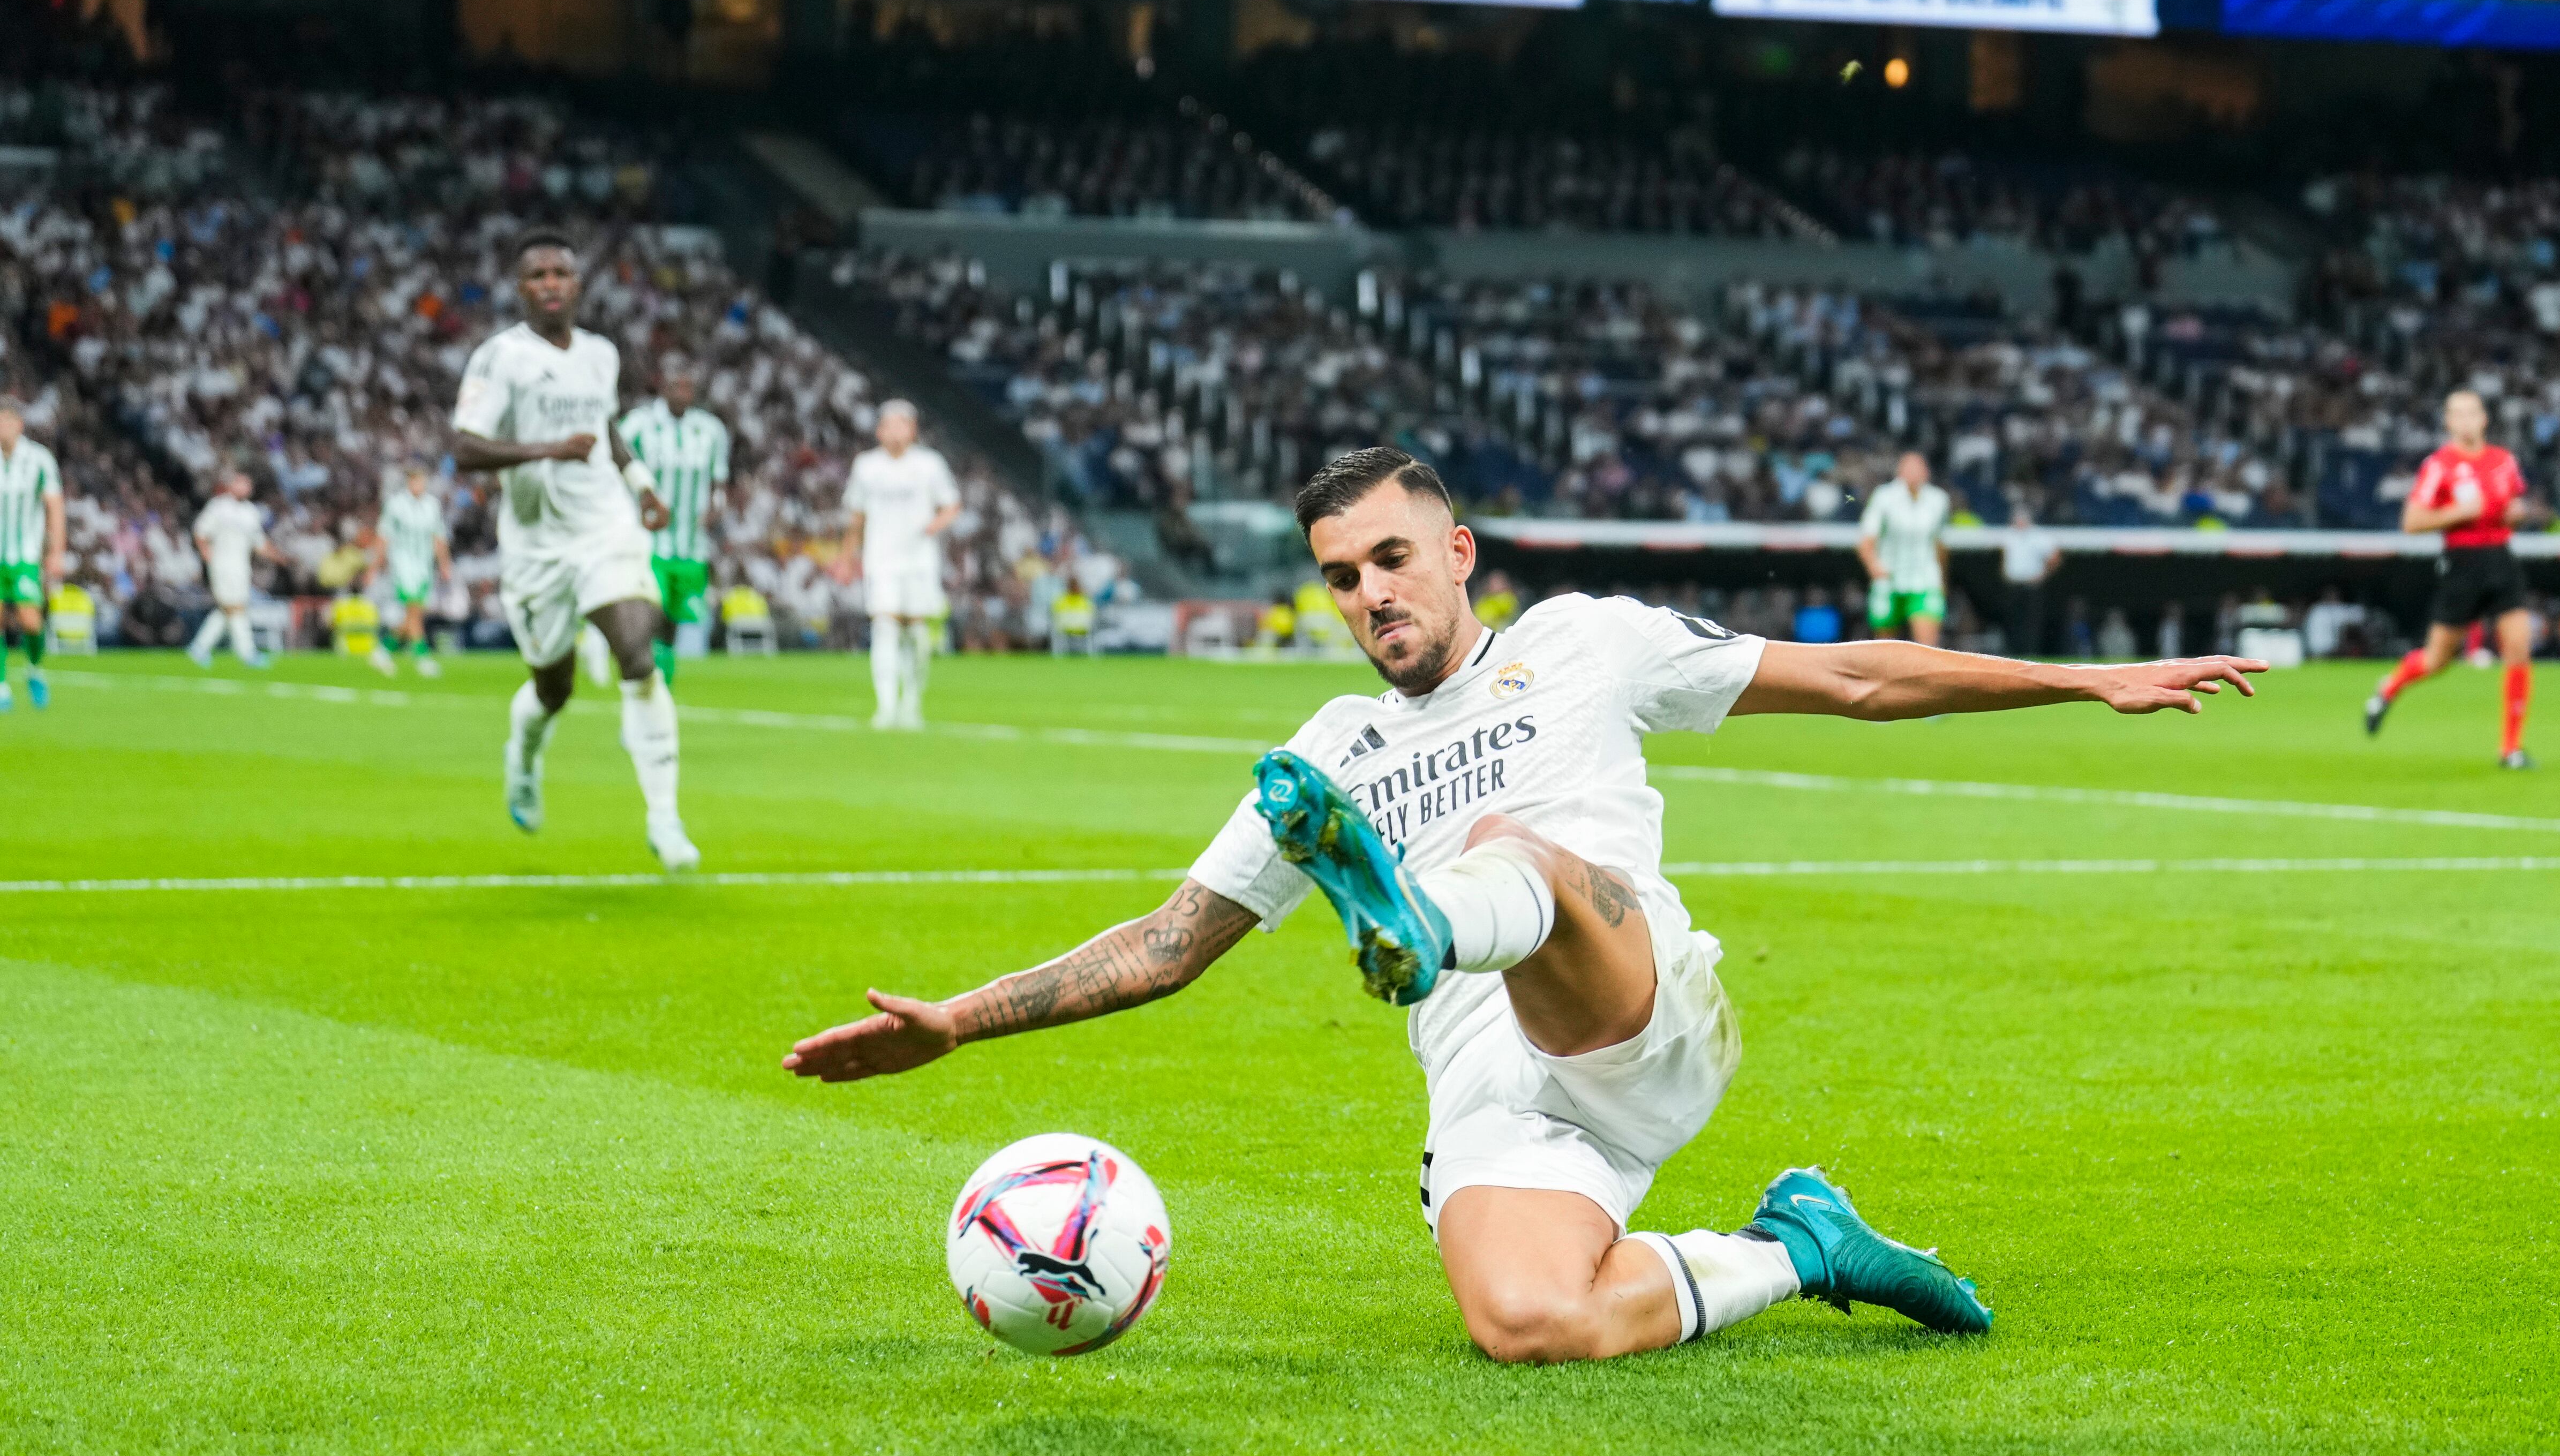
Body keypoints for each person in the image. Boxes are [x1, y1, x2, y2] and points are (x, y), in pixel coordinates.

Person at [786, 447, 2267, 1363]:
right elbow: (1169, 942)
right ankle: (1806, 1244)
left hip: (1632, 1003)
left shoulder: (1583, 644)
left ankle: (1426, 921)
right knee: (1527, 1322)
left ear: (1457, 554)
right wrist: (958, 1025)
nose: (1370, 592)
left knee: (1518, 845)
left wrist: (2086, 674)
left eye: (1391, 557)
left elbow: (1857, 674)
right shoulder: (1329, 750)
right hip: (1502, 1095)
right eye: (1340, 575)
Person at [450, 228, 699, 870]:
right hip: (536, 546)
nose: (551, 283)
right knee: (553, 686)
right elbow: (466, 447)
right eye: (537, 275)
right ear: (520, 288)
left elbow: (605, 428)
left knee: (637, 653)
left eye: (561, 271)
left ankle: (665, 817)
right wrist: (546, 449)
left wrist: (641, 483)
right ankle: (525, 756)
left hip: (605, 528)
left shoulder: (600, 354)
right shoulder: (499, 357)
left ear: (578, 283)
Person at [2363, 390, 2538, 767]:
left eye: (2472, 413)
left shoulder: (2503, 461)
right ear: (2448, 422)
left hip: (2502, 559)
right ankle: (2389, 687)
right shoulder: (2440, 465)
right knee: (2438, 658)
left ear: (2484, 418)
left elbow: (2519, 506)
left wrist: (2517, 513)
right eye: (2457, 414)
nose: (2465, 421)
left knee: (2519, 645)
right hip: (2462, 563)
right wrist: (2458, 512)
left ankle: (2511, 748)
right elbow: (2411, 522)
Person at [833, 399, 958, 730]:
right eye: (889, 424)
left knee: (917, 633)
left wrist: (935, 525)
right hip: (881, 559)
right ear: (879, 430)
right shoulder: (866, 466)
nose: (894, 430)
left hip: (919, 561)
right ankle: (886, 707)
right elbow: (856, 516)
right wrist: (847, 560)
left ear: (913, 429)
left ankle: (911, 704)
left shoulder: (930, 465)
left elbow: (951, 504)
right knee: (884, 627)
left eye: (901, 424)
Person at [618, 369, 730, 684]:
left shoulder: (710, 430)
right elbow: (615, 466)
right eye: (676, 386)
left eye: (688, 386)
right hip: (648, 540)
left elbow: (718, 481)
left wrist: (717, 509)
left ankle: (661, 678)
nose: (683, 392)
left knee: (672, 619)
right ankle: (642, 674)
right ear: (662, 388)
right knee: (651, 608)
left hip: (691, 543)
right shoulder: (638, 425)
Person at [0, 394, 65, 712]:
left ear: (19, 425)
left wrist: (57, 551)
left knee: (31, 622)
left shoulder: (39, 459)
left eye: (7, 421)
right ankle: (1, 686)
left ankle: (34, 670)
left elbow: (54, 505)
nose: (2, 428)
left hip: (25, 555)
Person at [186, 471, 284, 669]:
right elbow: (201, 531)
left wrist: (280, 557)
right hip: (223, 564)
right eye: (242, 483)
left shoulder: (251, 512)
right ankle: (247, 653)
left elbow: (259, 543)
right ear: (232, 485)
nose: (247, 488)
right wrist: (206, 552)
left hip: (242, 567)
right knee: (236, 607)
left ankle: (199, 648)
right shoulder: (218, 507)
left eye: (248, 484)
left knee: (228, 608)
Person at [1857, 450, 1949, 645]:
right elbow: (1866, 540)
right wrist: (1874, 566)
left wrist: (1941, 577)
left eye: (1919, 468)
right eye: (1909, 468)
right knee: (1885, 647)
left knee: (1928, 647)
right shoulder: (1884, 497)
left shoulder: (1938, 499)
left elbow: (1939, 542)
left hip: (1925, 578)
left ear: (1927, 472)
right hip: (1889, 577)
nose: (1914, 473)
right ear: (1900, 472)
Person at [370, 464, 454, 678]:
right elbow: (384, 536)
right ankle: (422, 658)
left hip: (424, 565)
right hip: (403, 563)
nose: (418, 484)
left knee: (414, 612)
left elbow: (439, 537)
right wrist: (376, 565)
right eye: (415, 480)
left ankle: (383, 651)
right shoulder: (396, 505)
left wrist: (445, 564)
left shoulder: (432, 506)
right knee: (414, 608)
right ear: (409, 482)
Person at [1998, 502, 2059, 658]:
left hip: (2031, 587)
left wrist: (2043, 575)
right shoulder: (2009, 535)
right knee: (2012, 621)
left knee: (2031, 623)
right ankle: (2012, 653)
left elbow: (2055, 558)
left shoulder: (2039, 536)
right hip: (2014, 586)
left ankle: (2030, 654)